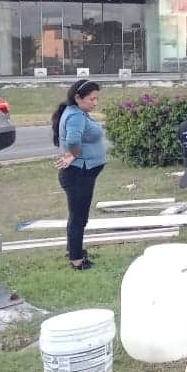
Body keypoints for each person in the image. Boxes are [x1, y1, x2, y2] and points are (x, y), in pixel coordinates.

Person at [51, 79, 105, 270]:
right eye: (92, 99)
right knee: (79, 217)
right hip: (78, 175)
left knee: (76, 216)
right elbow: (73, 139)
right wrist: (72, 155)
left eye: (97, 99)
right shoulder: (76, 116)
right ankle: (76, 260)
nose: (95, 103)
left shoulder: (76, 112)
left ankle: (73, 250)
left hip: (81, 173)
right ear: (77, 97)